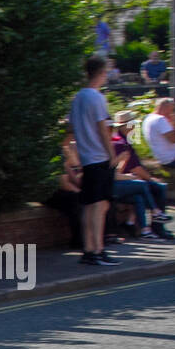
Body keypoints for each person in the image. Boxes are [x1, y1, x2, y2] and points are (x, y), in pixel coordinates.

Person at [69, 56, 117, 265]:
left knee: (89, 205)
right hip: (100, 157)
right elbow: (102, 129)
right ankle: (97, 249)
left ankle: (88, 249)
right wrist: (112, 155)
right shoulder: (97, 98)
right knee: (100, 206)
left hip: (87, 157)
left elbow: (71, 130)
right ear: (101, 73)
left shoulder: (77, 98)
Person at [111, 110, 174, 237]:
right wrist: (151, 179)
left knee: (141, 194)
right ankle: (157, 223)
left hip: (126, 179)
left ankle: (143, 227)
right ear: (126, 127)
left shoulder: (123, 141)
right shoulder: (120, 144)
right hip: (122, 182)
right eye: (132, 125)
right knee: (158, 187)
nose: (134, 127)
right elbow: (135, 168)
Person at [141, 98, 175, 173]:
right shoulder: (160, 119)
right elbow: (173, 140)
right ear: (166, 107)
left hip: (163, 156)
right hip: (173, 157)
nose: (171, 113)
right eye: (171, 109)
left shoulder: (148, 118)